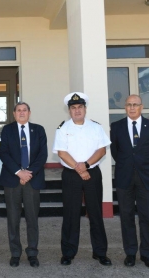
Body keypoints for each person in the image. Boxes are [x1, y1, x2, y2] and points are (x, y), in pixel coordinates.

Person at [52, 92, 112, 266]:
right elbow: (62, 152)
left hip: (92, 173)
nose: (77, 110)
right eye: (73, 108)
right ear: (69, 110)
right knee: (71, 214)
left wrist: (85, 165)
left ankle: (100, 252)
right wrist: (80, 169)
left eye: (80, 107)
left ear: (85, 109)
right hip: (71, 175)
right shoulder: (63, 128)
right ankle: (68, 253)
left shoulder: (96, 127)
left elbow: (102, 151)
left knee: (95, 213)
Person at [0, 102, 47, 268]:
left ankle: (32, 252)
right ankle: (15, 253)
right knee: (13, 219)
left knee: (32, 219)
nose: (21, 112)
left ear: (29, 112)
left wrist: (28, 173)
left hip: (32, 180)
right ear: (13, 114)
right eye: (18, 110)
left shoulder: (38, 130)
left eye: (24, 110)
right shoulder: (7, 130)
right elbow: (3, 153)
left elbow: (42, 155)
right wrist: (19, 172)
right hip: (12, 180)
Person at [110, 94, 149, 268]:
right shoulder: (116, 126)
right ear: (124, 107)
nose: (132, 107)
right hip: (124, 177)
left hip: (145, 178)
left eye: (135, 104)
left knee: (146, 217)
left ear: (141, 107)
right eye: (129, 105)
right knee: (126, 217)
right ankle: (131, 253)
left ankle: (146, 253)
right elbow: (115, 152)